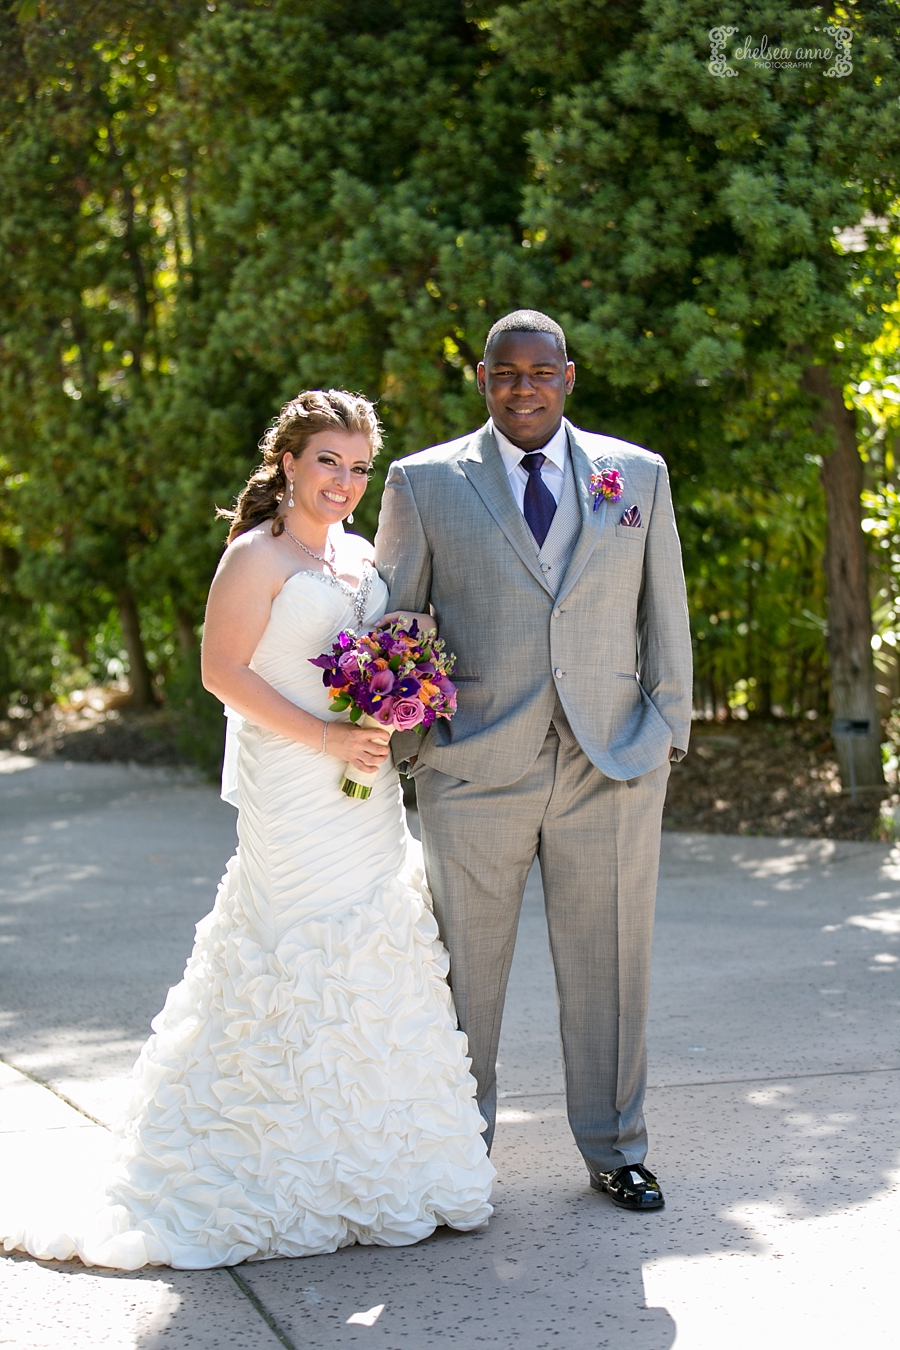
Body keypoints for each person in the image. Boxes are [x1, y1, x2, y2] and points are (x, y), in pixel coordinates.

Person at [1, 389, 494, 1270]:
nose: (342, 482)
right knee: (290, 948)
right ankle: (265, 1162)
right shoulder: (254, 557)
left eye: (356, 468)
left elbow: (378, 656)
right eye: (326, 462)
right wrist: (326, 736)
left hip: (365, 782)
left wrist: (388, 710)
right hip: (295, 781)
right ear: (288, 463)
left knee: (376, 938)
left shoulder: (359, 556)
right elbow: (220, 672)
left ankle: (373, 1169)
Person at [375, 310, 692, 1211]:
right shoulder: (425, 481)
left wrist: (666, 730)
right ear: (483, 379)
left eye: (539, 373)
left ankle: (617, 1147)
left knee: (612, 964)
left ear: (568, 376)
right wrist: (409, 743)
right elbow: (398, 620)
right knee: (464, 977)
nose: (523, 387)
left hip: (612, 760)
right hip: (476, 766)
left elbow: (662, 608)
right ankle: (456, 1155)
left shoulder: (636, 475)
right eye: (505, 373)